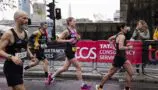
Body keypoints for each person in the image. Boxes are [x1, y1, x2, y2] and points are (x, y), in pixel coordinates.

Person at [46, 17, 90, 89]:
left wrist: (78, 38)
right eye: (74, 21)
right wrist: (68, 41)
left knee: (65, 68)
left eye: (75, 21)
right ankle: (82, 85)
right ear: (69, 22)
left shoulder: (74, 30)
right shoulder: (66, 31)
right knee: (78, 67)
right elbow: (58, 40)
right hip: (69, 51)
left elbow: (74, 40)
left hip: (73, 50)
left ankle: (51, 77)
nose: (75, 22)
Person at [96, 24, 134, 90]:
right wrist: (128, 47)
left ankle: (99, 87)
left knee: (110, 74)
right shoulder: (122, 36)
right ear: (121, 28)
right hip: (121, 58)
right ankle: (127, 88)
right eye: (125, 27)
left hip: (119, 57)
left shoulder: (117, 35)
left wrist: (113, 47)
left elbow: (109, 39)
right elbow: (120, 47)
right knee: (130, 72)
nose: (127, 28)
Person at [0, 10, 31, 90]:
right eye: (24, 18)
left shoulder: (26, 33)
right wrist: (12, 57)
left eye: (27, 19)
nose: (26, 21)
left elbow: (26, 47)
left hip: (20, 66)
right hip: (10, 67)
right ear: (16, 19)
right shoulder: (9, 34)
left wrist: (30, 55)